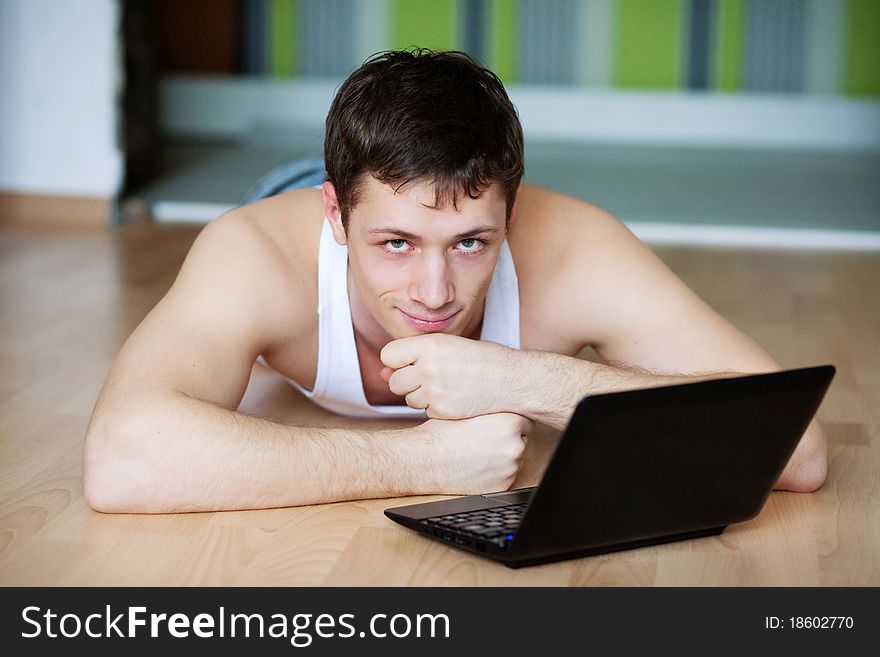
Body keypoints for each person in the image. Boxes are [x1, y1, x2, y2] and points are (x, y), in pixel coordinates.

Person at [83, 49, 827, 513]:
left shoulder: (574, 248)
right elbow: (122, 456)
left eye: (472, 242)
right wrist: (422, 460)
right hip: (296, 192)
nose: (435, 291)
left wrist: (525, 379)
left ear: (513, 211)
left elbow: (799, 450)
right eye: (397, 244)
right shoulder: (256, 251)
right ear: (337, 218)